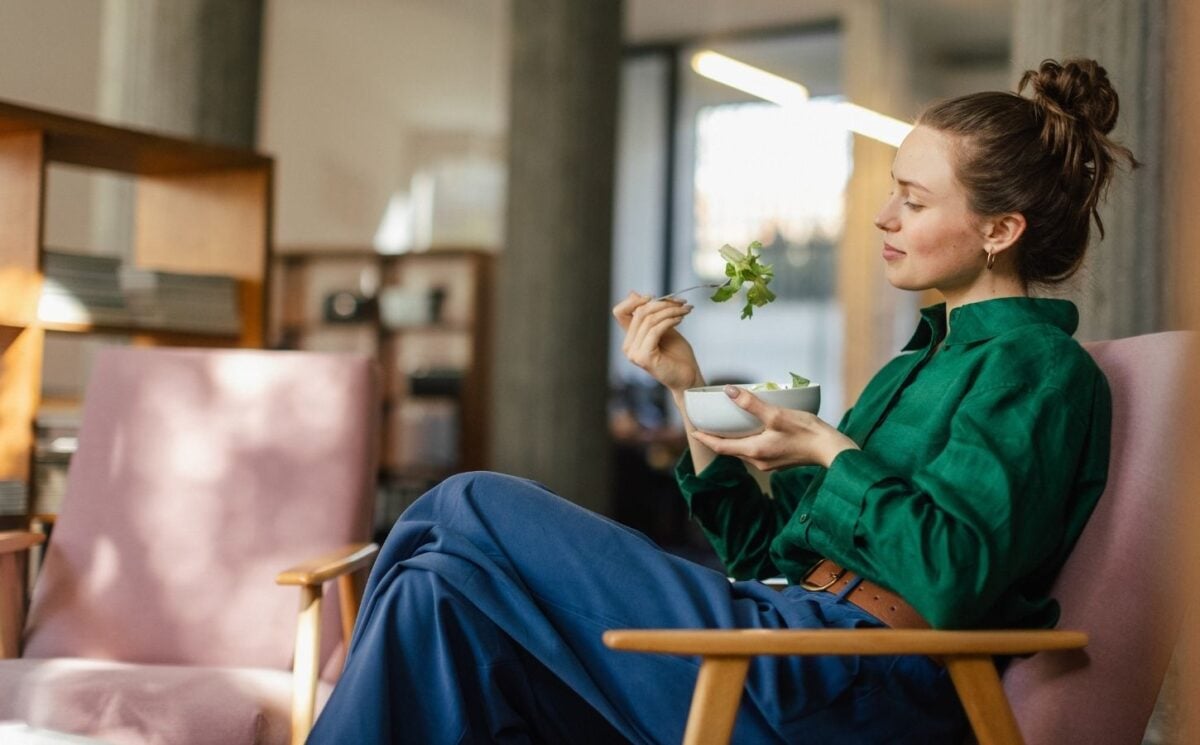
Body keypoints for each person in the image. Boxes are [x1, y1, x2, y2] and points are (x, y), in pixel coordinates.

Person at [307, 58, 1135, 744]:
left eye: (914, 202)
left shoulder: (1039, 368)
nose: (884, 216)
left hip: (859, 684)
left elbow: (951, 578)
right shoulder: (913, 366)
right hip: (789, 635)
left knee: (466, 501)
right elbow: (759, 551)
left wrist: (828, 449)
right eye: (893, 191)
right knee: (436, 598)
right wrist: (687, 387)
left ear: (1001, 230)